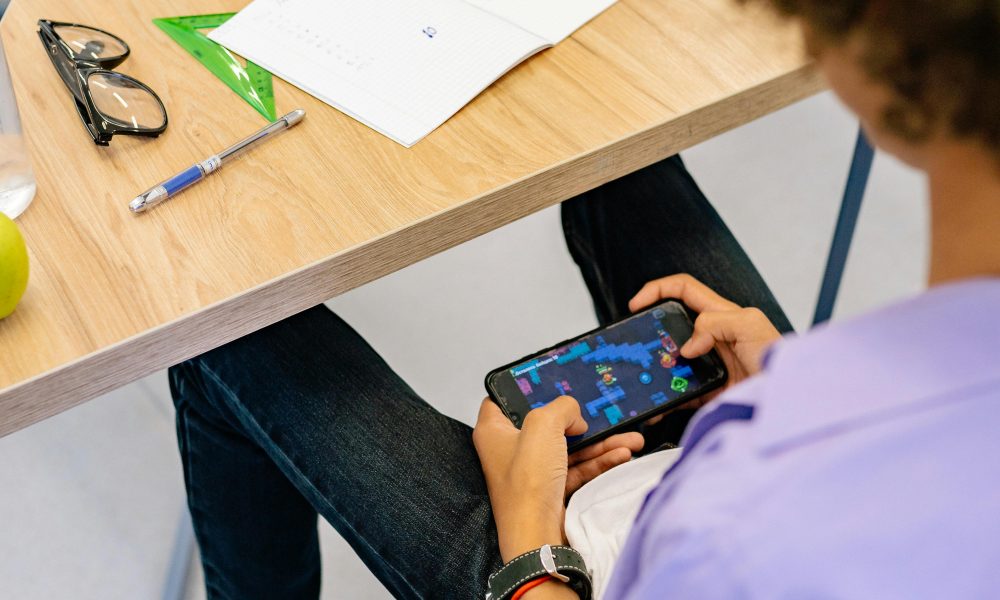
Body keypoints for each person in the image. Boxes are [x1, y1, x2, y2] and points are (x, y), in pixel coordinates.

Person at [169, 0, 1000, 597]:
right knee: (624, 165)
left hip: (592, 568)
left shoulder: (736, 538)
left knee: (226, 336)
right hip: (749, 480)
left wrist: (530, 541)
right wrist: (789, 389)